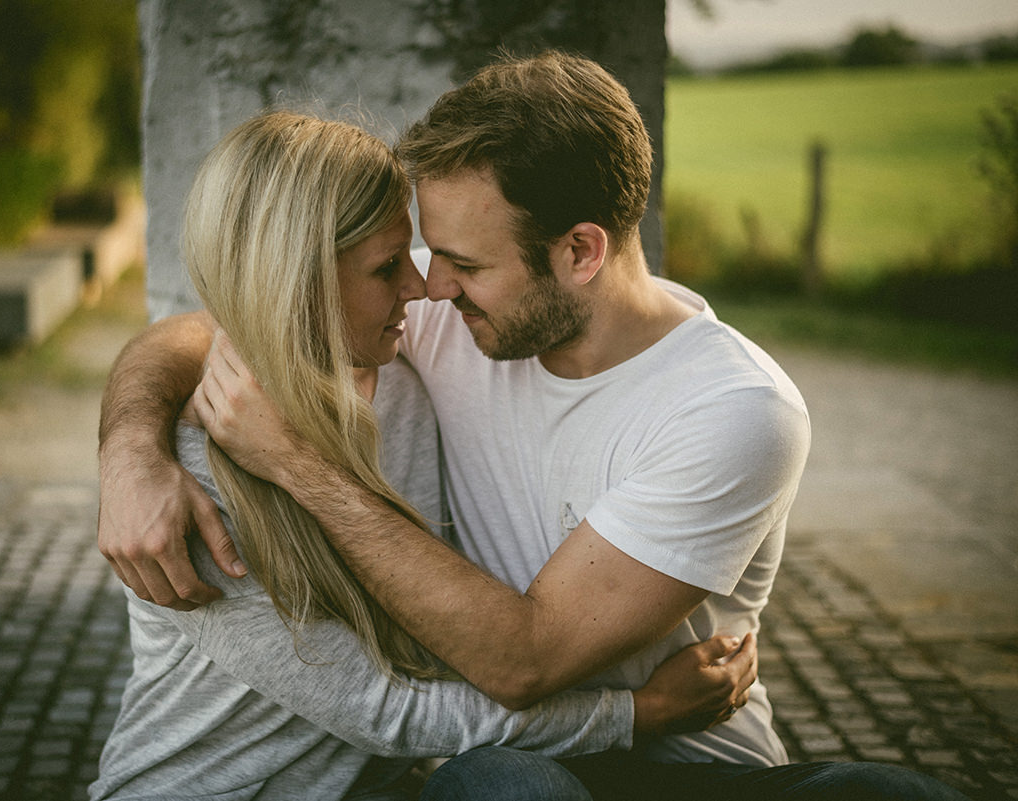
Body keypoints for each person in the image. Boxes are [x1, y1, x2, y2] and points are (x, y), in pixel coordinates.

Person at [99, 54, 969, 800]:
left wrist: (293, 462)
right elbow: (222, 330)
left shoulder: (735, 408)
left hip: (689, 760)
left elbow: (525, 657)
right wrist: (130, 449)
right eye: (416, 260)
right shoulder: (438, 328)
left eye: (463, 264)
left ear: (580, 252)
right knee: (500, 784)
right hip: (513, 759)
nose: (429, 288)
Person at [91, 109, 759, 801]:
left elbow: (449, 655)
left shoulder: (408, 389)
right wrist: (635, 713)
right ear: (299, 282)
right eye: (389, 266)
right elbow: (389, 711)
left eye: (427, 257)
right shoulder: (197, 467)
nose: (422, 287)